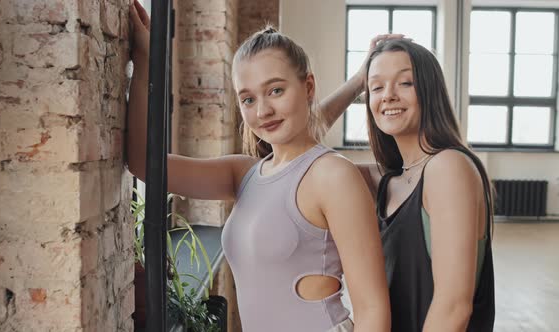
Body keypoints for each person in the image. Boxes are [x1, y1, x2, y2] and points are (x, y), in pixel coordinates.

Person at [127, 2, 390, 331]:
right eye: (248, 98)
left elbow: (373, 310)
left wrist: (356, 82)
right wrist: (146, 62)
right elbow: (142, 161)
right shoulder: (244, 174)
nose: (263, 110)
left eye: (276, 90)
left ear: (308, 87)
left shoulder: (334, 176)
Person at [323, 38, 495, 332]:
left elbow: (453, 308)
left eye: (405, 83)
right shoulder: (387, 179)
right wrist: (356, 81)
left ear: (430, 91)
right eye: (376, 87)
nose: (388, 96)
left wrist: (368, 80)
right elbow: (295, 144)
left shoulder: (448, 167)